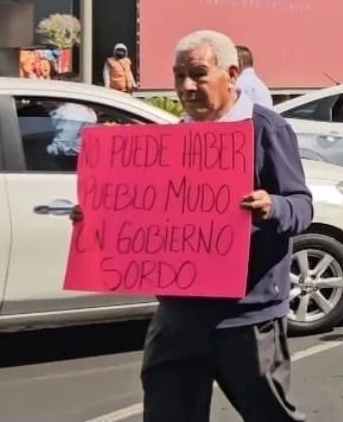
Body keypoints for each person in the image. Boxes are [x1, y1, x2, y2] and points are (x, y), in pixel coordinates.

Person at [72, 30, 313, 421]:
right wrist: (96, 217)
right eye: (178, 75)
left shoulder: (267, 130)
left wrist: (274, 206)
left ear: (231, 73)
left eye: (198, 74)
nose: (186, 86)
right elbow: (147, 213)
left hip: (246, 319)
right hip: (179, 315)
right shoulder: (172, 139)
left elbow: (302, 207)